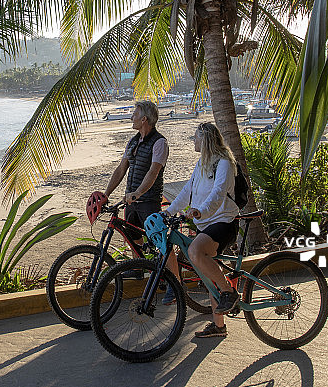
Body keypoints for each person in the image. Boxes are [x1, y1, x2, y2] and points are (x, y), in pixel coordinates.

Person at [164, 122, 240, 338]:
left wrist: (200, 211)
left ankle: (228, 292)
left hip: (223, 223)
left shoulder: (223, 163)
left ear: (205, 140)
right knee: (207, 273)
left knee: (196, 252)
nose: (193, 141)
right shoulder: (202, 164)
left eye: (196, 138)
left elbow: (218, 193)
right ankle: (219, 326)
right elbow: (187, 190)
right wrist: (169, 212)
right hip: (206, 224)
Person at [101, 100, 178, 299]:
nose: (131, 117)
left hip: (149, 201)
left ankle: (176, 284)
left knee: (162, 242)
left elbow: (153, 173)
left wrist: (138, 193)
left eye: (134, 115)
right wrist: (106, 194)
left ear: (144, 119)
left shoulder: (160, 142)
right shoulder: (134, 141)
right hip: (131, 201)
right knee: (133, 237)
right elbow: (121, 169)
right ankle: (137, 269)